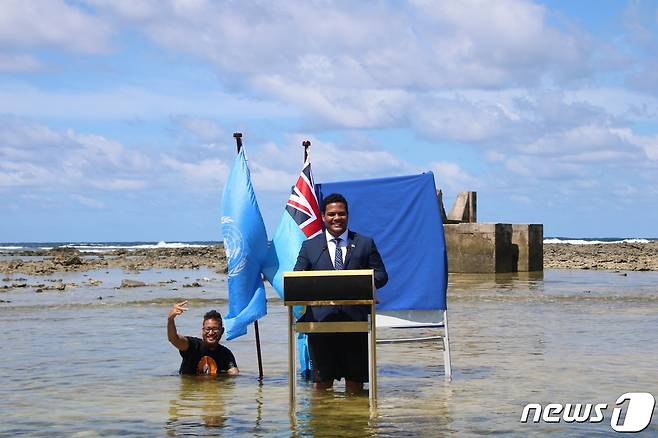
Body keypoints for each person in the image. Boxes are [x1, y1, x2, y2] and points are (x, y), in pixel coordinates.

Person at [294, 193, 388, 392]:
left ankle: (353, 422)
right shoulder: (310, 246)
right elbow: (297, 277)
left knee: (355, 384)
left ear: (348, 215)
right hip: (320, 324)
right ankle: (322, 422)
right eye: (332, 214)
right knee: (322, 384)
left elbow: (381, 275)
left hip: (356, 323)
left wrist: (359, 284)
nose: (337, 218)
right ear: (323, 217)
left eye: (341, 214)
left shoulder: (364, 243)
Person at [167, 300, 239, 375]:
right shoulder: (192, 346)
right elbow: (173, 339)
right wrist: (170, 319)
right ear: (203, 330)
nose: (211, 333)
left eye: (215, 329)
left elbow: (234, 373)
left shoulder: (225, 354)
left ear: (222, 331)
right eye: (208, 329)